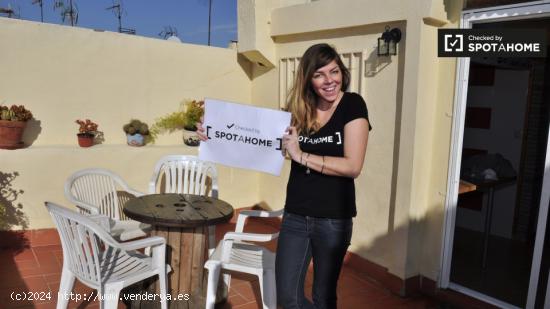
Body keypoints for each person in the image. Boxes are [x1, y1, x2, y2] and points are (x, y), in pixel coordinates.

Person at [197, 43, 371, 309]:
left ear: (342, 72)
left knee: (324, 297)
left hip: (334, 218)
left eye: (334, 71)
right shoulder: (298, 112)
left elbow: (353, 166)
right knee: (287, 296)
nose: (329, 81)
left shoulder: (353, 104)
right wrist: (214, 134)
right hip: (296, 216)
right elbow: (255, 141)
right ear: (308, 79)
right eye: (319, 74)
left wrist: (301, 156)